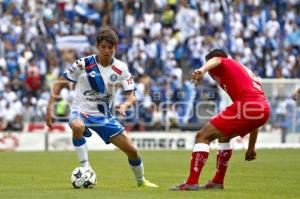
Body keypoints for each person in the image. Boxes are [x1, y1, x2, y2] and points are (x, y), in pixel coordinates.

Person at [45, 28, 158, 188]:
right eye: (103, 47)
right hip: (81, 111)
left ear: (115, 48)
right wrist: (49, 108)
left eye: (110, 47)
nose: (106, 50)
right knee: (77, 125)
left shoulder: (121, 68)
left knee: (132, 151)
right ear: (97, 46)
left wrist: (126, 104)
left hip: (104, 116)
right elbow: (59, 84)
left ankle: (141, 181)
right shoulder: (83, 64)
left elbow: (132, 95)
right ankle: (85, 167)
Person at [171, 49, 270, 190]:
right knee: (223, 137)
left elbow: (216, 60)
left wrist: (202, 69)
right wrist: (251, 148)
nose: (211, 75)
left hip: (247, 105)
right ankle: (217, 182)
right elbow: (255, 117)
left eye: (211, 71)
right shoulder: (241, 72)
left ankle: (191, 182)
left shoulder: (224, 62)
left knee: (202, 136)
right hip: (262, 109)